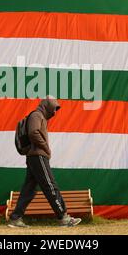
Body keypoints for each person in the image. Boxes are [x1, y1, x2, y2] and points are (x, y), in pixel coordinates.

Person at [8, 97, 82, 228]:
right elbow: (33, 132)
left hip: (34, 156)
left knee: (29, 190)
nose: (54, 112)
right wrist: (46, 148)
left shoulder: (39, 116)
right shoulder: (37, 115)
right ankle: (64, 217)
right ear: (47, 106)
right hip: (38, 156)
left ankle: (15, 218)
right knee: (50, 185)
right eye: (54, 108)